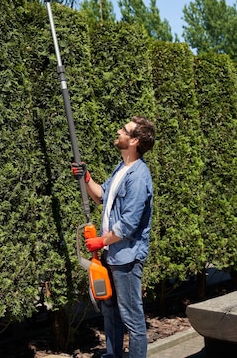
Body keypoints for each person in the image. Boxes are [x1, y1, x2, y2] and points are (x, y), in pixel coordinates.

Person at [72, 116, 155, 358]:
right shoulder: (122, 168)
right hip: (112, 254)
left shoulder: (139, 176)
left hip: (126, 258)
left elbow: (129, 223)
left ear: (134, 140)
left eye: (124, 130)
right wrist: (86, 178)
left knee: (131, 317)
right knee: (110, 309)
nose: (118, 131)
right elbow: (101, 196)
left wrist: (101, 241)